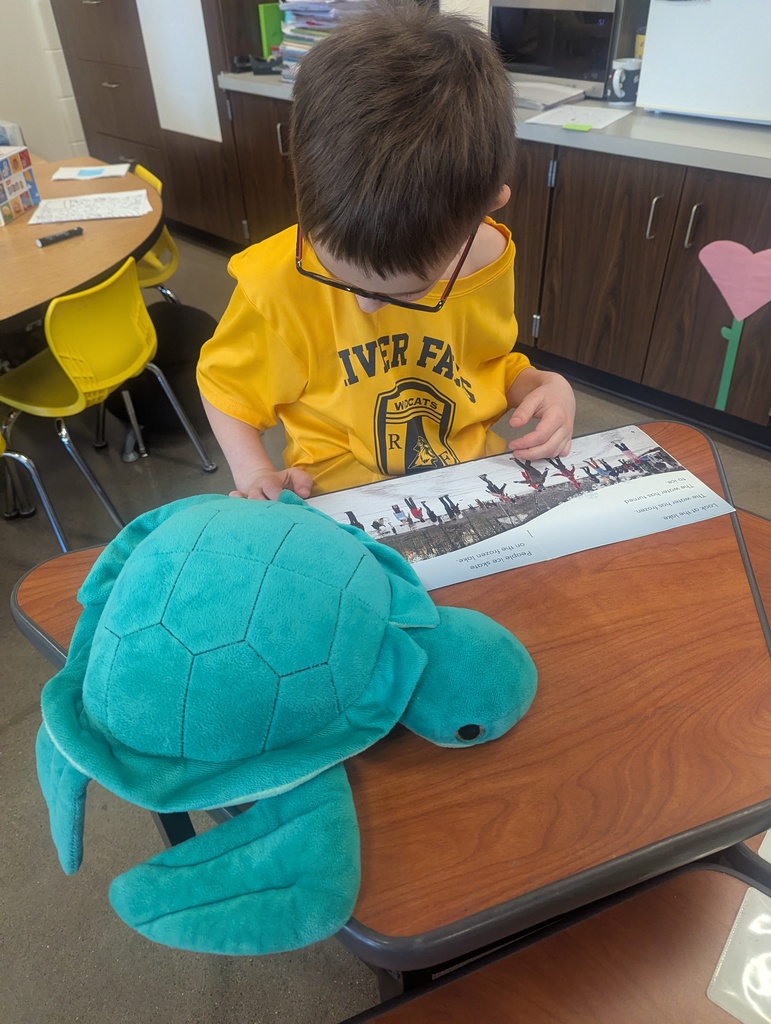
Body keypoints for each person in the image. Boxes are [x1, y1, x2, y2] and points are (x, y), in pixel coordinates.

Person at [197, 1, 575, 501]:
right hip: (337, 501)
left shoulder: (488, 259)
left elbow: (483, 365)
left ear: (485, 209)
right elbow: (227, 391)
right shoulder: (274, 284)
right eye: (338, 279)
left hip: (470, 486)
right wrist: (252, 473)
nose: (367, 307)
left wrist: (542, 384)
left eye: (409, 293)